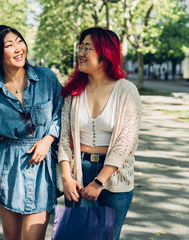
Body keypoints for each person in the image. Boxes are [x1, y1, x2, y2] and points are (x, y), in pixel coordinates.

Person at [0, 25, 63, 240]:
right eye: (9, 45)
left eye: (20, 41)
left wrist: (48, 139)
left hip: (42, 169)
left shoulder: (46, 78)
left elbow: (61, 112)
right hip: (8, 170)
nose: (18, 48)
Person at [57, 27, 142, 240]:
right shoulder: (73, 91)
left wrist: (99, 181)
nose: (81, 53)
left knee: (107, 237)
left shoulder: (126, 90)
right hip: (79, 172)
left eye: (88, 48)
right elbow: (65, 138)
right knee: (77, 236)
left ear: (106, 53)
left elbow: (126, 140)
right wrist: (67, 177)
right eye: (80, 47)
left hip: (116, 174)